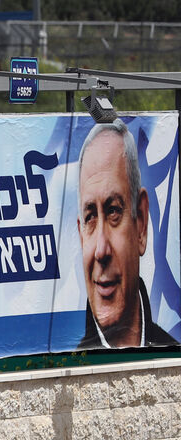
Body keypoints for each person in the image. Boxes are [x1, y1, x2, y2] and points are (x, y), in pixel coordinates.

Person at [76, 120, 177, 350]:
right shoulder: (64, 369)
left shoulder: (171, 355)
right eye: (90, 217)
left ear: (140, 223)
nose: (101, 250)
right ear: (81, 237)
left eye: (113, 211)